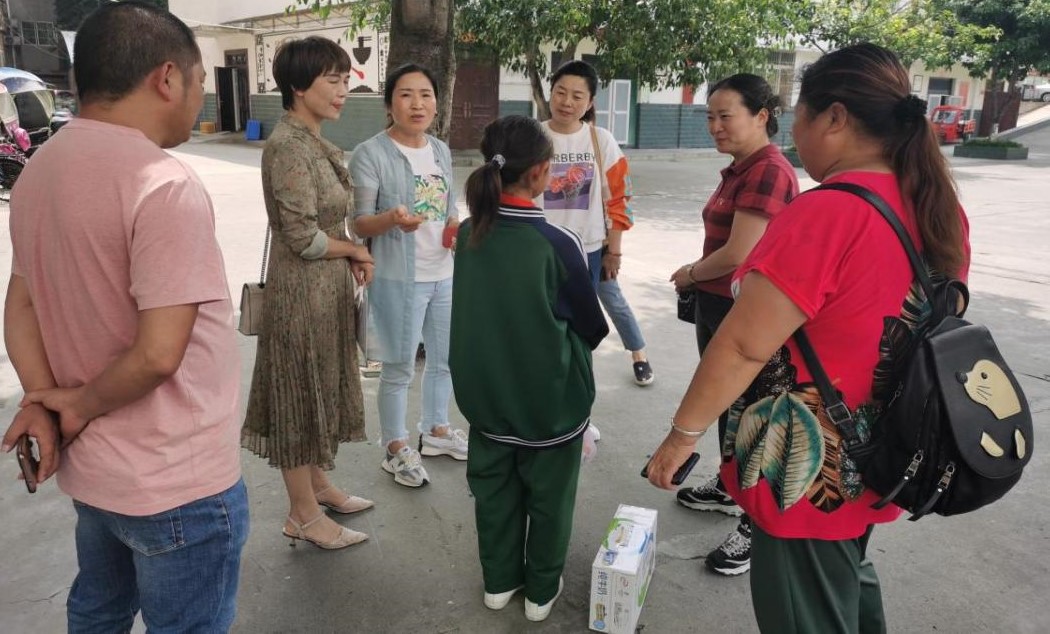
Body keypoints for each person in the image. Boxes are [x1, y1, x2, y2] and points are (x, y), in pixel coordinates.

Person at [646, 43, 970, 632]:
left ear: (837, 117)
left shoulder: (827, 214)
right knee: (846, 572)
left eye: (800, 114)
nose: (795, 130)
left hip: (809, 466)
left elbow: (744, 345)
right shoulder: (934, 203)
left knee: (804, 608)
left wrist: (680, 437)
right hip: (888, 447)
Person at [0, 2, 249, 630]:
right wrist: (74, 405)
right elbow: (159, 353)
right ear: (167, 78)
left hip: (98, 481)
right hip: (178, 483)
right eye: (198, 82)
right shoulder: (161, 183)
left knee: (98, 614)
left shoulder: (38, 172)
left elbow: (21, 302)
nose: (198, 100)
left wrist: (42, 400)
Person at [450, 115, 609, 622]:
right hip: (549, 402)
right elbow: (591, 325)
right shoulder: (557, 244)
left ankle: (499, 583)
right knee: (550, 501)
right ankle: (541, 591)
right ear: (542, 173)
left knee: (494, 494)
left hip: (486, 397)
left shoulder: (470, 231)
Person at [241, 37, 376, 550]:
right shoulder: (290, 147)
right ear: (299, 86)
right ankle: (301, 513)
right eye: (333, 80)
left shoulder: (311, 139)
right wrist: (354, 252)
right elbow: (301, 236)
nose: (344, 90)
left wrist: (349, 255)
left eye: (346, 79)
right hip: (299, 294)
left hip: (324, 291)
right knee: (298, 395)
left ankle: (319, 488)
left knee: (319, 383)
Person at [670, 73, 799, 576]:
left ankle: (756, 524)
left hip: (745, 314)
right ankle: (729, 487)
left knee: (751, 416)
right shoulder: (740, 168)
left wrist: (690, 273)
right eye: (710, 116)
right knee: (730, 408)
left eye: (726, 116)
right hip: (718, 306)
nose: (715, 126)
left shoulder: (769, 170)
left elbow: (741, 252)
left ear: (761, 116)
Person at [350, 63, 465, 488]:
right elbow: (358, 224)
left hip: (445, 272)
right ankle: (395, 445)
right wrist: (391, 220)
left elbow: (448, 206)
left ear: (436, 102)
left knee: (445, 359)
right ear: (389, 103)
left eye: (426, 94)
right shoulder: (371, 153)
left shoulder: (440, 150)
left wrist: (455, 226)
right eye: (405, 94)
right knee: (398, 367)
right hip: (401, 276)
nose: (417, 104)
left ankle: (436, 430)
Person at [540, 59, 654, 387]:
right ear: (550, 94)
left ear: (590, 103)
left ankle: (581, 389)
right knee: (544, 322)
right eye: (560, 92)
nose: (566, 101)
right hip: (540, 249)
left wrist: (613, 252)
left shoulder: (600, 140)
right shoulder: (533, 136)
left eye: (577, 96)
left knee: (582, 324)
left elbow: (619, 199)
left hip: (587, 251)